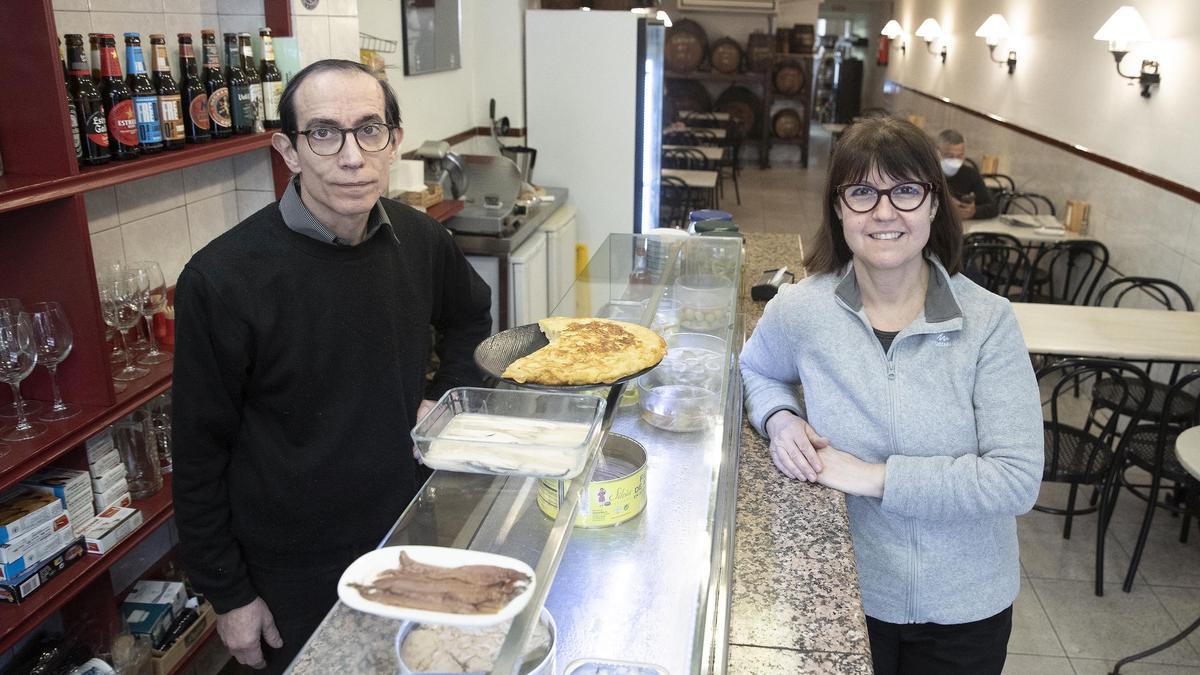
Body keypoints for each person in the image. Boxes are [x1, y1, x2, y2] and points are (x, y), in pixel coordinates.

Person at [172, 59, 492, 673]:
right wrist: (229, 593)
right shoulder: (222, 279)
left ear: (394, 142)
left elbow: (470, 320)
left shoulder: (420, 239)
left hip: (409, 529)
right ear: (287, 150)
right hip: (293, 568)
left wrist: (445, 397)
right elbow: (198, 451)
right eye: (324, 133)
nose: (352, 157)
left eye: (370, 130)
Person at [740, 117, 1043, 674]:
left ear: (933, 204)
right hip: (844, 586)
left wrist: (873, 476)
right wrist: (779, 417)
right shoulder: (802, 308)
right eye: (862, 192)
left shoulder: (988, 322)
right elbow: (756, 370)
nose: (884, 212)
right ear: (838, 208)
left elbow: (1016, 478)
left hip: (965, 605)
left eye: (905, 190)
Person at [935, 129, 999, 221]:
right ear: (937, 152)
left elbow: (993, 208)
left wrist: (974, 212)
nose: (955, 160)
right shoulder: (927, 173)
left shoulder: (970, 174)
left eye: (959, 156)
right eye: (949, 156)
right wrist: (945, 207)